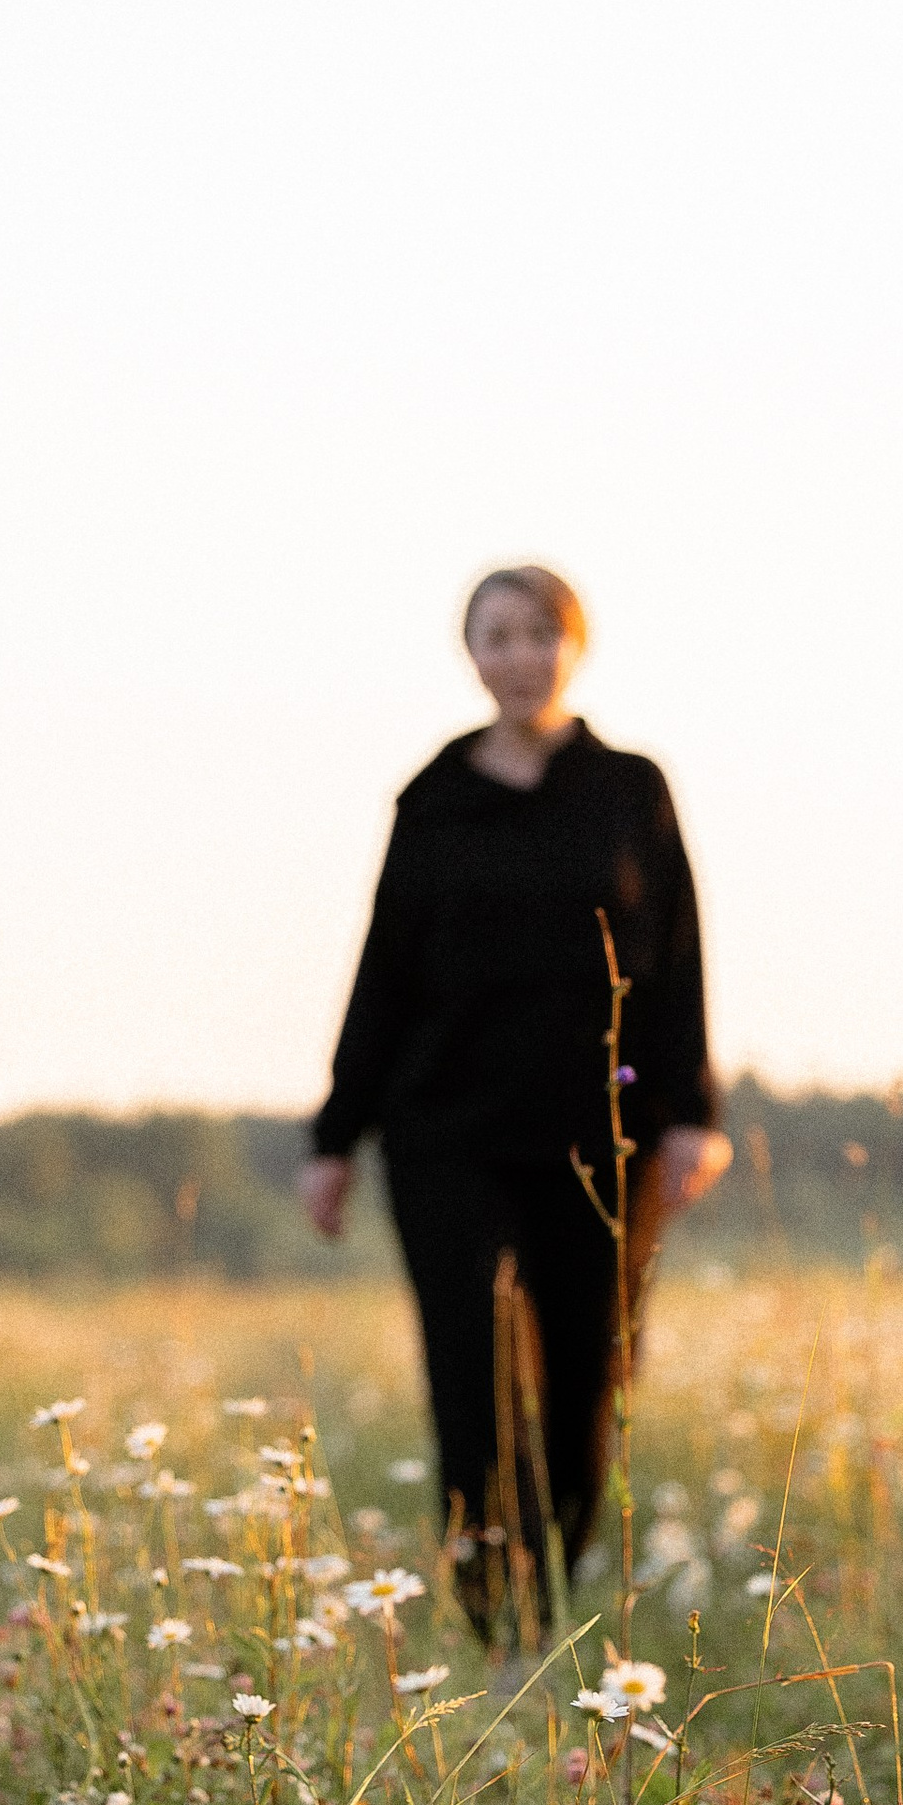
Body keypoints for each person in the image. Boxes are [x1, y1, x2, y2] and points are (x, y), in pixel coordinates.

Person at [299, 564, 730, 1641]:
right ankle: (499, 1621)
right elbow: (384, 969)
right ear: (472, 653)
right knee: (475, 1383)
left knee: (593, 1383)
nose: (520, 654)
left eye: (540, 633)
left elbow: (677, 956)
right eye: (498, 635)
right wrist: (335, 1135)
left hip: (607, 1135)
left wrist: (691, 1113)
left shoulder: (631, 789)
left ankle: (555, 1587)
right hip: (447, 1133)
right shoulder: (431, 799)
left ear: (571, 647)